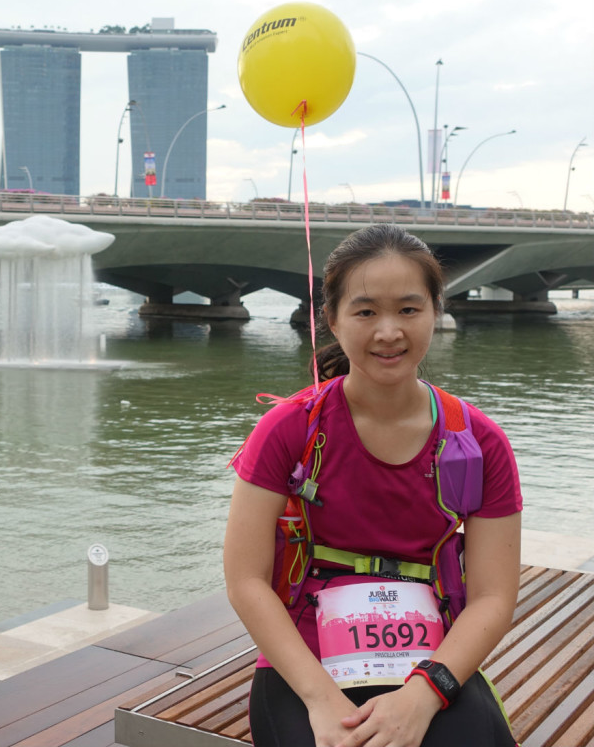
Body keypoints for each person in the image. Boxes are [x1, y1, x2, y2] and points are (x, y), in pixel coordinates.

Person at [223, 224, 521, 747]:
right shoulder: (291, 428)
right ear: (332, 319)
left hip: (432, 662)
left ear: (436, 312)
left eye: (409, 309)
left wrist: (422, 695)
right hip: (306, 659)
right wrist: (321, 701)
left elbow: (493, 596)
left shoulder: (478, 441)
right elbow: (246, 578)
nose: (388, 332)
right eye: (366, 312)